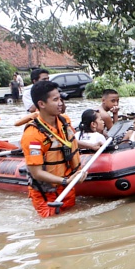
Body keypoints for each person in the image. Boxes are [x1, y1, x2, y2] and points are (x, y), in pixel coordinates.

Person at [20, 80, 86, 217]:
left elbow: (69, 143)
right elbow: (36, 172)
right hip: (46, 195)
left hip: (67, 188)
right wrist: (65, 181)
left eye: (60, 98)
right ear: (41, 104)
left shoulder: (64, 121)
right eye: (55, 100)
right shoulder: (32, 135)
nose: (60, 103)